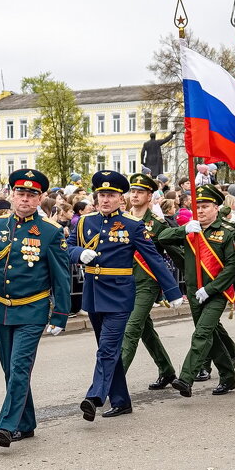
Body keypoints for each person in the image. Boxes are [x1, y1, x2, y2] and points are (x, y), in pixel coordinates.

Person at [0, 169, 71, 447]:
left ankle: (7, 425)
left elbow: (62, 277)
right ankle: (25, 423)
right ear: (12, 195)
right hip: (0, 308)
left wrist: (61, 314)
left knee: (20, 367)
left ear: (40, 199)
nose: (24, 199)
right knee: (9, 370)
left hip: (32, 309)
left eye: (31, 195)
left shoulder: (49, 232)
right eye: (20, 193)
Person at [67, 171, 182, 420]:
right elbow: (66, 246)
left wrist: (172, 291)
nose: (105, 200)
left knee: (107, 348)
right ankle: (121, 401)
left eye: (111, 195)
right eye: (102, 195)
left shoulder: (132, 225)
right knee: (107, 349)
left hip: (120, 294)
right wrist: (78, 253)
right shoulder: (85, 223)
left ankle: (95, 396)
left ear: (121, 198)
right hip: (94, 293)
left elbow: (154, 259)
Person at [156, 185, 235, 397]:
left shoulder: (227, 233)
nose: (201, 211)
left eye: (205, 206)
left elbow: (232, 268)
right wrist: (182, 229)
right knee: (210, 335)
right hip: (195, 291)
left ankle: (186, 378)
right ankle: (228, 377)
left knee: (202, 334)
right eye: (198, 207)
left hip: (215, 292)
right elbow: (163, 238)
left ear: (216, 208)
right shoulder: (191, 230)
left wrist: (211, 288)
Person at [120, 173, 182, 389]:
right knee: (145, 329)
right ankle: (166, 370)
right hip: (124, 282)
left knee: (132, 328)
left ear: (149, 196)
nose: (134, 195)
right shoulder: (121, 220)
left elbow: (175, 252)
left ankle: (112, 381)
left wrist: (187, 281)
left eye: (140, 192)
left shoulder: (157, 225)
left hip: (147, 283)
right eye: (132, 191)